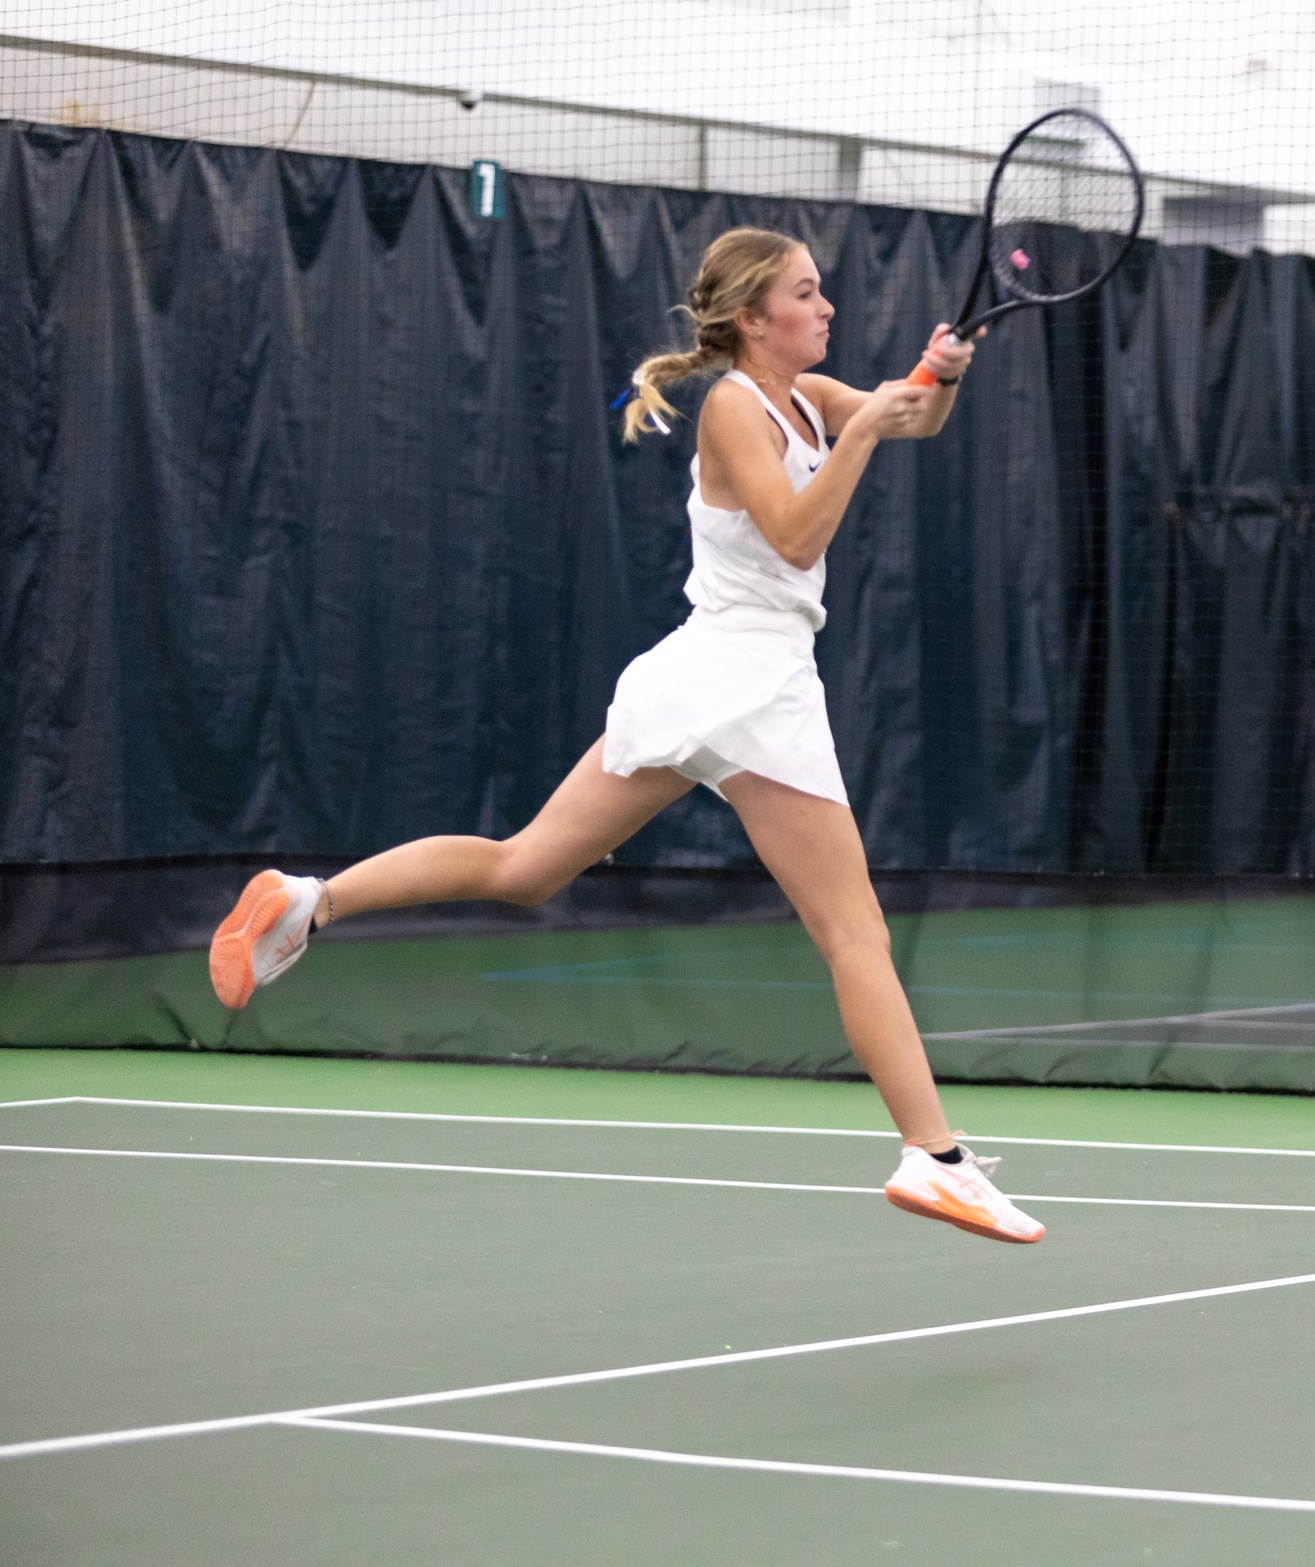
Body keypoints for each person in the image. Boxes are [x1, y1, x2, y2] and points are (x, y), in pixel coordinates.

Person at [207, 227, 1042, 1245]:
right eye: (807, 294)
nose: (826, 310)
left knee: (522, 867)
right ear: (752, 319)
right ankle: (934, 1155)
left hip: (700, 680)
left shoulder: (803, 398)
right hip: (747, 684)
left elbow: (908, 415)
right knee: (852, 931)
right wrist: (866, 428)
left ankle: (310, 899)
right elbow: (796, 534)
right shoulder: (736, 408)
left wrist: (938, 376)